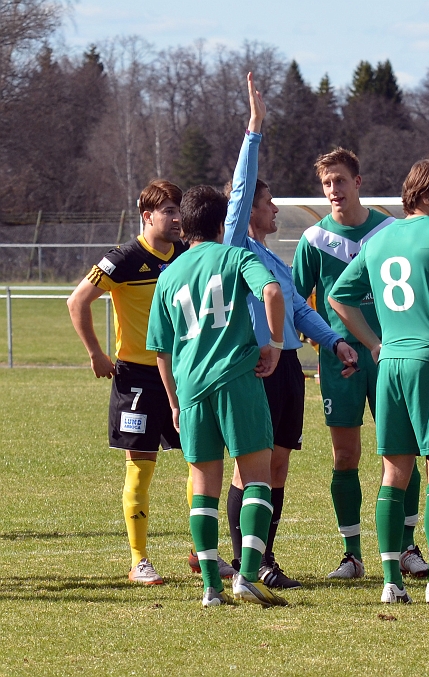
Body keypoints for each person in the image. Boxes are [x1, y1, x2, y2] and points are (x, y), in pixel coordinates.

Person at [219, 74, 358, 589]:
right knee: (249, 469)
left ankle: (266, 558)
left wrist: (336, 340)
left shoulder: (272, 259)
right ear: (248, 211)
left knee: (277, 467)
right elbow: (239, 190)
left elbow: (299, 307)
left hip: (289, 369)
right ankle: (243, 563)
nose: (276, 208)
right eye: (269, 201)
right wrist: (254, 129)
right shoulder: (236, 245)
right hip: (256, 366)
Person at [328, 159, 429, 604]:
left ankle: (390, 582)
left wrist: (375, 343)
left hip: (390, 364)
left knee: (393, 473)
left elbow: (339, 296)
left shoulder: (380, 239)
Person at [147, 184, 288, 608]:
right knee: (256, 477)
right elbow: (273, 291)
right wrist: (276, 345)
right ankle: (246, 574)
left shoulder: (169, 274)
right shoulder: (236, 256)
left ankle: (211, 586)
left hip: (190, 388)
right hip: (236, 380)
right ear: (223, 221)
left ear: (185, 226)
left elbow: (162, 349)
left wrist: (174, 401)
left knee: (203, 487)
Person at [293, 148, 428, 581]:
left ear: (358, 182)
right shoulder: (313, 240)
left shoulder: (390, 231)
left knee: (402, 452)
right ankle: (352, 554)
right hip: (340, 361)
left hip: (391, 356)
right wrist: (328, 344)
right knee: (345, 455)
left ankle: (407, 547)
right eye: (327, 183)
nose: (333, 190)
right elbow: (298, 305)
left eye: (340, 181)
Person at [67, 180, 189, 586]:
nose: (176, 218)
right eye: (169, 210)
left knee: (199, 463)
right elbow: (77, 300)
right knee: (139, 471)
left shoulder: (188, 254)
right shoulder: (122, 258)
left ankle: (201, 552)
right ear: (147, 216)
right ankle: (139, 560)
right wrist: (96, 355)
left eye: (179, 210)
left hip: (184, 374)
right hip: (136, 378)